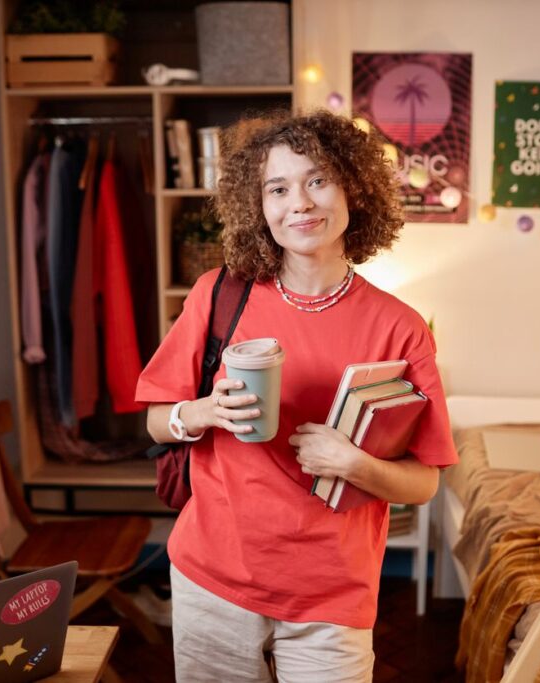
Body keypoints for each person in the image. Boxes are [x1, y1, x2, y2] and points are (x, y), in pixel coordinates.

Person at [135, 109, 458, 682]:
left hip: (331, 596)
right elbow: (158, 423)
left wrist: (353, 462)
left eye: (317, 180)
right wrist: (205, 412)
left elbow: (426, 481)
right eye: (277, 188)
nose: (299, 203)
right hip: (214, 577)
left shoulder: (401, 327)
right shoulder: (217, 296)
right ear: (258, 208)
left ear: (352, 189)